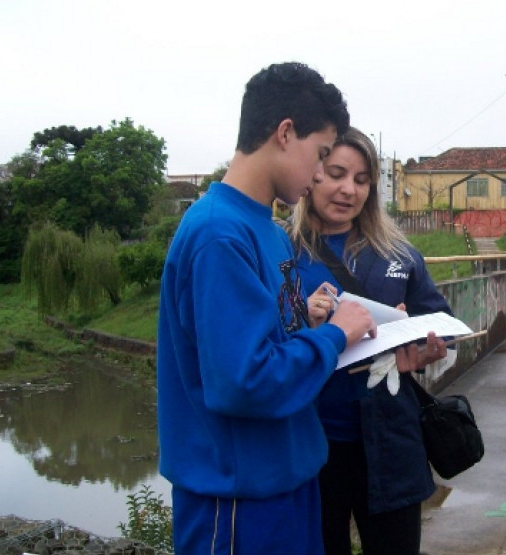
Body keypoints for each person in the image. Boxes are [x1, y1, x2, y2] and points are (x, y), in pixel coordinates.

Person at [156, 62, 376, 554]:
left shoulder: (269, 232)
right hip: (235, 501)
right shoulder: (218, 233)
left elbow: (269, 341)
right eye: (320, 155)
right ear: (284, 133)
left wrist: (312, 322)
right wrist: (334, 335)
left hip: (287, 481)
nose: (321, 174)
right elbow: (244, 380)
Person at [288, 127, 451, 555]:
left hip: (391, 444)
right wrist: (304, 318)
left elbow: (444, 324)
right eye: (337, 173)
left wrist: (421, 341)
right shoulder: (283, 254)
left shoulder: (399, 255)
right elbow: (261, 343)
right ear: (311, 175)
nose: (349, 190)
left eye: (362, 180)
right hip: (309, 446)